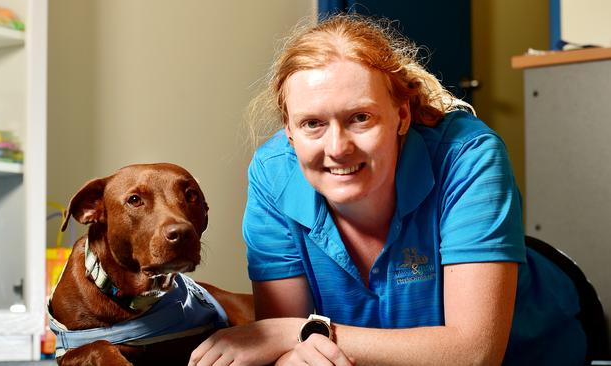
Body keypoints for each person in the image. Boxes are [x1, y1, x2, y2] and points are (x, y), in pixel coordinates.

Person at [189, 14, 586, 366]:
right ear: (289, 132)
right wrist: (294, 343)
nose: (337, 147)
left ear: (402, 115)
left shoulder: (469, 155)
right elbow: (291, 349)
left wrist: (298, 333)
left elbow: (475, 353)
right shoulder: (272, 175)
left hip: (536, 343)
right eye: (312, 124)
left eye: (360, 118)